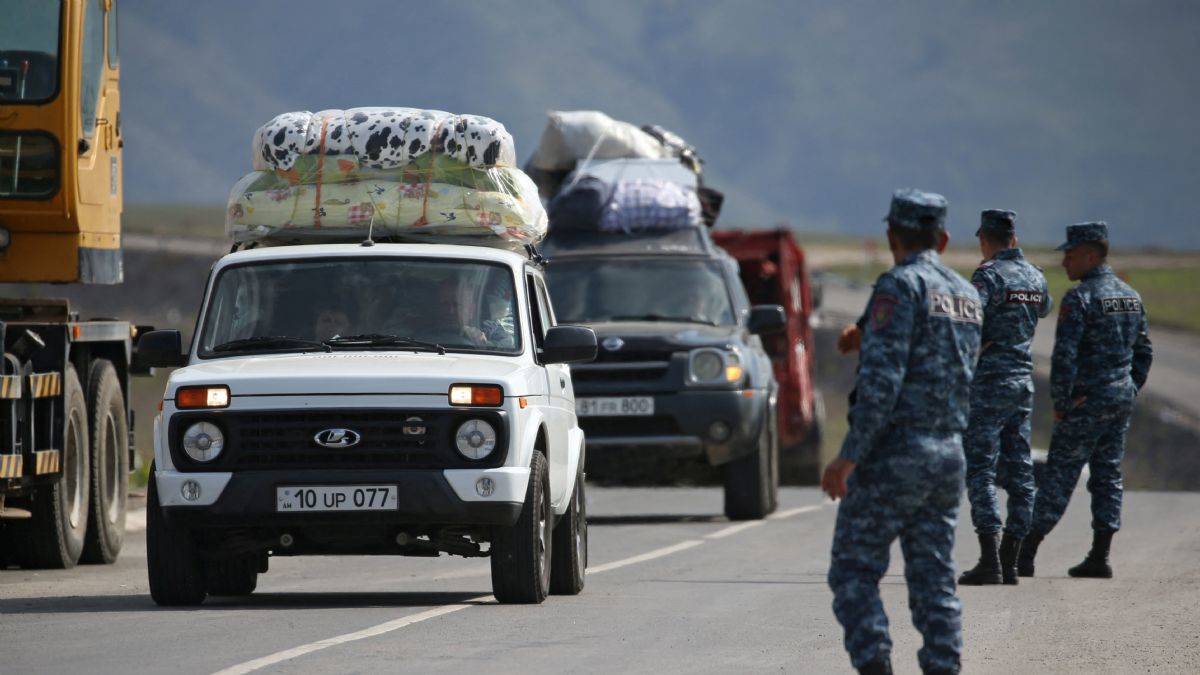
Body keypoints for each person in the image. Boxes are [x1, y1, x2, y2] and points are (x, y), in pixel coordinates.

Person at [823, 189, 981, 675]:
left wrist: (848, 457)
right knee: (934, 579)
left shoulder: (899, 286)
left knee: (853, 570)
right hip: (948, 453)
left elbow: (883, 383)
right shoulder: (967, 294)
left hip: (897, 451)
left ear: (892, 235)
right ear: (945, 238)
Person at [1019, 222, 1152, 579]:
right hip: (1118, 400)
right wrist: (1128, 387)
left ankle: (1026, 551)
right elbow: (1144, 352)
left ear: (1091, 255)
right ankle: (1100, 554)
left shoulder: (1081, 299)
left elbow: (1064, 359)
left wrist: (1062, 404)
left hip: (1086, 402)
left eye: (1071, 254)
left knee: (1060, 475)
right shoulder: (1131, 296)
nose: (1065, 262)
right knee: (1108, 474)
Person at [958, 210, 1052, 586]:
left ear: (984, 239)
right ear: (1014, 238)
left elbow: (968, 319)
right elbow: (1043, 308)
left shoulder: (988, 275)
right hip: (1022, 383)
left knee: (980, 467)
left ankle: (988, 558)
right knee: (1020, 470)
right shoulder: (1036, 276)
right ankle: (1010, 559)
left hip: (990, 382)